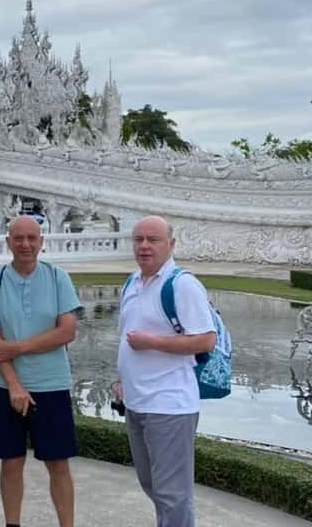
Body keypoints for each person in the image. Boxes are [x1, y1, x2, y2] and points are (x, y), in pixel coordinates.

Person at [0, 216, 83, 527]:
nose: (25, 244)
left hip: (52, 384)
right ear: (8, 242)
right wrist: (14, 385)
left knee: (58, 463)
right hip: (5, 386)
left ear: (41, 242)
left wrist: (18, 347)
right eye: (18, 238)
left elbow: (66, 333)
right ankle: (12, 524)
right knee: (11, 462)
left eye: (31, 238)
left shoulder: (57, 278)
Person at [114, 216, 216, 527]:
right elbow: (125, 337)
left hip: (169, 404)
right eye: (139, 239)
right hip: (136, 400)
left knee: (172, 494)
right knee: (152, 485)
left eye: (153, 239)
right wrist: (121, 380)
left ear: (170, 245)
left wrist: (154, 342)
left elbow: (206, 339)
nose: (144, 246)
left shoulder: (182, 285)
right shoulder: (132, 282)